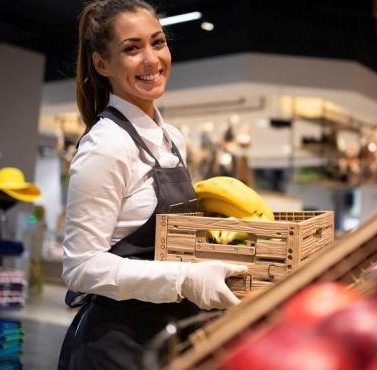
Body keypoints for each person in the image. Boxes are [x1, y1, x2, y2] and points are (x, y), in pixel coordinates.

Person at [57, 1, 248, 369]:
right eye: (131, 48)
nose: (151, 59)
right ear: (101, 64)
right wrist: (185, 279)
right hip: (115, 347)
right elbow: (81, 267)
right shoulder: (107, 145)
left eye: (157, 42)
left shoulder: (172, 137)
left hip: (169, 336)